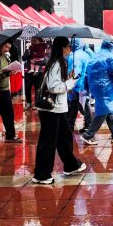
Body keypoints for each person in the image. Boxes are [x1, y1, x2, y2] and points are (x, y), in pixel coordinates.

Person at [32, 36, 85, 184]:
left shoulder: (59, 63)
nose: (70, 49)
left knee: (64, 138)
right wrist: (71, 83)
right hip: (51, 110)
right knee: (48, 142)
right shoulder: (56, 64)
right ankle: (42, 175)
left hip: (58, 109)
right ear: (62, 48)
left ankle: (71, 165)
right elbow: (54, 87)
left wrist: (68, 78)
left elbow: (56, 83)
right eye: (68, 46)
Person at [81, 39, 113, 145]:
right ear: (111, 47)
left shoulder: (95, 56)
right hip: (105, 89)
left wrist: (86, 87)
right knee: (103, 112)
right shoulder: (110, 58)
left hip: (95, 88)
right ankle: (88, 135)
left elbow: (86, 74)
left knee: (108, 111)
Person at [66, 38, 93, 134]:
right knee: (80, 105)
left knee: (78, 105)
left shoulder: (74, 56)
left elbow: (75, 73)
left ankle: (72, 125)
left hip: (77, 86)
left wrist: (71, 86)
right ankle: (87, 125)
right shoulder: (85, 54)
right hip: (84, 85)